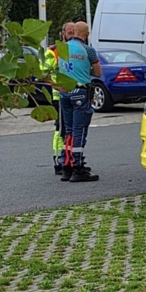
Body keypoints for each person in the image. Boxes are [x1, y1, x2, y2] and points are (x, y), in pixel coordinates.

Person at [59, 21, 101, 182]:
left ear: (73, 31)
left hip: (65, 93)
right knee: (79, 130)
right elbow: (98, 73)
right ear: (87, 34)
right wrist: (85, 69)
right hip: (81, 93)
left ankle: (66, 166)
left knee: (68, 131)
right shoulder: (88, 50)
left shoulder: (62, 48)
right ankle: (78, 168)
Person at [44, 22, 75, 175]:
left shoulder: (77, 50)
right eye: (69, 33)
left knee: (73, 129)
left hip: (75, 94)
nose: (72, 36)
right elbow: (43, 73)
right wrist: (57, 87)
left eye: (74, 32)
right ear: (63, 34)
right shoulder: (53, 52)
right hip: (59, 96)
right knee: (61, 129)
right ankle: (59, 159)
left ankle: (71, 159)